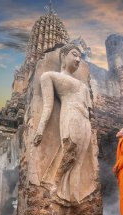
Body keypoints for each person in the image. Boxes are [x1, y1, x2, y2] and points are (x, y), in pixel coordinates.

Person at [33, 43, 96, 204]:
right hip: (70, 115)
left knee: (79, 162)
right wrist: (40, 129)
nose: (77, 59)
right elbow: (48, 106)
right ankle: (54, 183)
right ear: (63, 56)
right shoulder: (50, 76)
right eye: (74, 54)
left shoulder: (83, 85)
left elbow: (90, 112)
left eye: (80, 57)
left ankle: (72, 197)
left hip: (84, 120)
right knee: (70, 151)